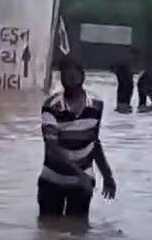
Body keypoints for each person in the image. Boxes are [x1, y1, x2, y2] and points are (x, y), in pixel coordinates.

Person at [38, 58, 116, 219]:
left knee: (78, 234)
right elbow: (52, 147)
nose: (71, 78)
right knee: (48, 233)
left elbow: (94, 142)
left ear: (82, 76)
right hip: (53, 180)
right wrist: (80, 174)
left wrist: (107, 176)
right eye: (66, 74)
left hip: (82, 184)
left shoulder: (95, 106)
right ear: (61, 78)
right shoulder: (51, 106)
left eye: (75, 74)